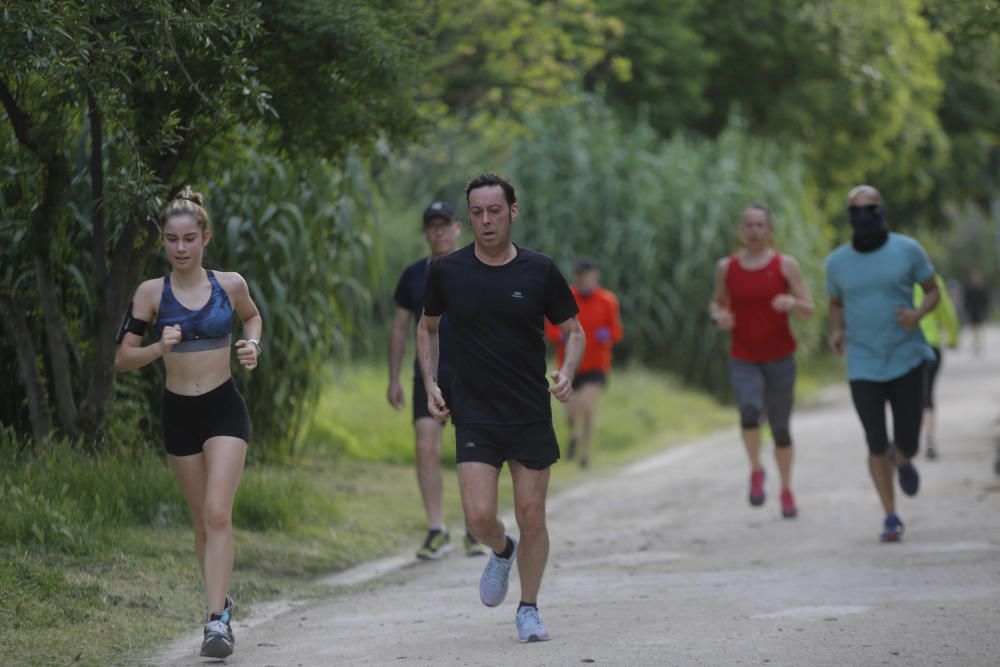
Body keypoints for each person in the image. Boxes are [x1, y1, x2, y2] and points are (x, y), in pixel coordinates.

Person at [417, 173, 584, 643]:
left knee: (533, 514)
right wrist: (431, 381)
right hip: (475, 412)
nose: (485, 220)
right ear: (468, 215)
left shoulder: (539, 270)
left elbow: (574, 330)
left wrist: (568, 372)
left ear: (513, 211)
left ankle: (528, 608)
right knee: (477, 518)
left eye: (494, 210)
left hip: (529, 409)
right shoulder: (447, 271)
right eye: (477, 212)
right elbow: (427, 328)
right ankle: (501, 548)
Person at [115, 187, 262, 659]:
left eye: (189, 239)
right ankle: (218, 601)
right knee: (202, 521)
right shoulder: (150, 294)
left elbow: (253, 318)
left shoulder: (230, 284)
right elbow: (122, 359)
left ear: (205, 238)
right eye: (171, 239)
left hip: (223, 407)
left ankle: (217, 622)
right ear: (162, 241)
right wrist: (159, 346)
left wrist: (252, 347)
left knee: (219, 512)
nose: (180, 248)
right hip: (178, 414)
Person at [825, 185, 939, 543]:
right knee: (875, 441)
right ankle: (890, 516)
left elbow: (933, 289)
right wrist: (837, 331)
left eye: (870, 209)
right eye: (856, 210)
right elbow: (836, 302)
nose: (863, 217)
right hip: (862, 363)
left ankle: (903, 458)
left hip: (906, 357)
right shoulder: (837, 262)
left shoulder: (908, 249)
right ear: (849, 216)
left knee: (908, 438)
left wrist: (918, 313)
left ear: (882, 211)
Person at [387, 201, 487, 559]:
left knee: (471, 450)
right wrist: (393, 377)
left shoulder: (473, 268)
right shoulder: (414, 275)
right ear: (425, 232)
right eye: (432, 226)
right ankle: (436, 528)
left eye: (444, 225)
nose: (439, 232)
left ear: (457, 228)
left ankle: (476, 526)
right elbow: (401, 328)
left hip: (470, 374)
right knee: (426, 447)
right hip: (427, 375)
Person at [710, 204, 814, 518]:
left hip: (781, 357)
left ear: (770, 231)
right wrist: (720, 317)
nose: (754, 231)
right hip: (744, 356)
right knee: (750, 410)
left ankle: (786, 489)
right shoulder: (727, 267)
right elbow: (717, 303)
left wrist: (792, 301)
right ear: (741, 231)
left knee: (781, 428)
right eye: (749, 225)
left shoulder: (786, 266)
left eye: (760, 225)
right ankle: (756, 470)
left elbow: (809, 307)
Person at [544, 258, 623, 468]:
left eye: (588, 278)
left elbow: (616, 331)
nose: (584, 282)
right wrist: (559, 335)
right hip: (571, 364)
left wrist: (607, 335)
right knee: (571, 412)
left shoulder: (607, 300)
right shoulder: (565, 296)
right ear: (576, 278)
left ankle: (585, 454)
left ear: (595, 277)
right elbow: (551, 328)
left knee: (587, 407)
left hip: (596, 364)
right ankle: (575, 435)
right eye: (580, 278)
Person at [914, 274, 959, 459]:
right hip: (931, 346)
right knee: (927, 394)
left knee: (904, 394)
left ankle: (903, 443)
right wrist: (953, 337)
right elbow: (946, 311)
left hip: (907, 347)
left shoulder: (898, 278)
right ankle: (929, 439)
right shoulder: (932, 280)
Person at [963, 270, 989, 356]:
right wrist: (966, 310)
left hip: (980, 312)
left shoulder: (982, 290)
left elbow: (985, 301)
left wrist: (984, 311)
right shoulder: (969, 290)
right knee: (974, 329)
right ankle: (976, 344)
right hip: (972, 312)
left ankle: (978, 345)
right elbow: (966, 301)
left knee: (979, 330)